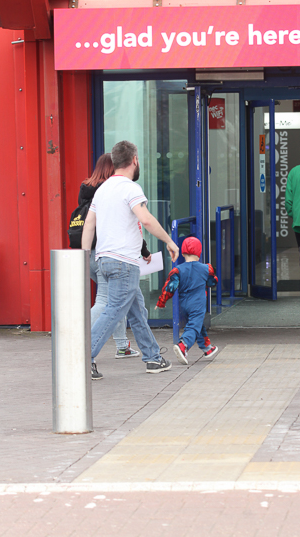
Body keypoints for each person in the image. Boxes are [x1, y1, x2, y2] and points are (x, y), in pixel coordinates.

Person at [82, 140, 179, 378]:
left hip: (103, 260)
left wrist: (85, 258)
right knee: (114, 310)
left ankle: (153, 358)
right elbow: (145, 220)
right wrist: (169, 241)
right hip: (124, 262)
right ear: (134, 160)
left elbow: (89, 225)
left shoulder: (101, 190)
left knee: (136, 312)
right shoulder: (130, 189)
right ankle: (82, 358)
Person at [79, 153, 151, 360]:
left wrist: (85, 256)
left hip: (93, 254)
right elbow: (130, 225)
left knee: (125, 302)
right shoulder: (115, 189)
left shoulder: (88, 189)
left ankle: (127, 347)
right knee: (108, 304)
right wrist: (144, 251)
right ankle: (82, 342)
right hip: (113, 255)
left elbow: (89, 224)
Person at [155, 237, 218, 365]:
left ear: (183, 253)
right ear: (199, 253)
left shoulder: (178, 270)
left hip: (184, 304)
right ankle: (183, 345)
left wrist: (161, 302)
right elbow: (212, 282)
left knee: (197, 324)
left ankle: (207, 347)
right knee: (193, 326)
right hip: (198, 303)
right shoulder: (206, 269)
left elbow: (170, 287)